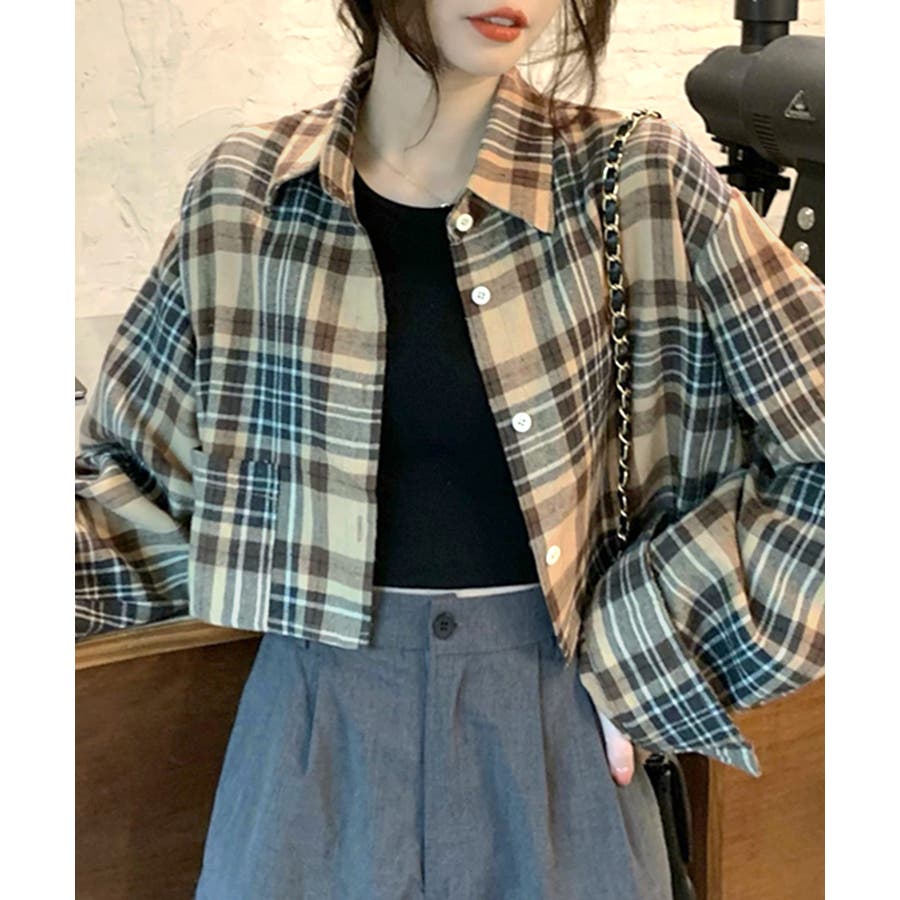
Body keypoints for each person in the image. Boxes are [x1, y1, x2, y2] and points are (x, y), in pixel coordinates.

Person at [75, 1, 825, 897]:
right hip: (312, 755)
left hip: (560, 742)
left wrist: (653, 641)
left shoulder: (635, 181)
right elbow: (140, 495)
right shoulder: (248, 195)